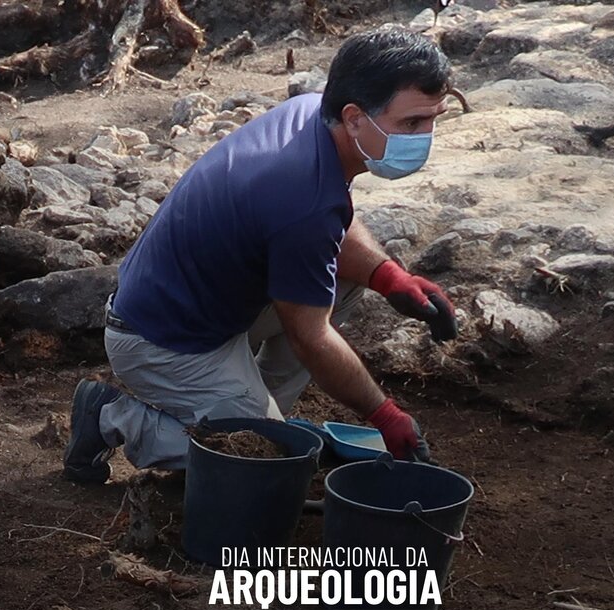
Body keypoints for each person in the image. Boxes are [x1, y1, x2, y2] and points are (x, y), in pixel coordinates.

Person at [63, 27, 459, 484]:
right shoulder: (299, 196)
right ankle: (113, 417)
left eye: (433, 119)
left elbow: (330, 222)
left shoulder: (314, 113)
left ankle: (251, 407)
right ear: (354, 118)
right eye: (411, 123)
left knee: (349, 281)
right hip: (161, 342)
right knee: (263, 459)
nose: (425, 136)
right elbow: (311, 333)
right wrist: (385, 414)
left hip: (204, 307)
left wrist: (389, 276)